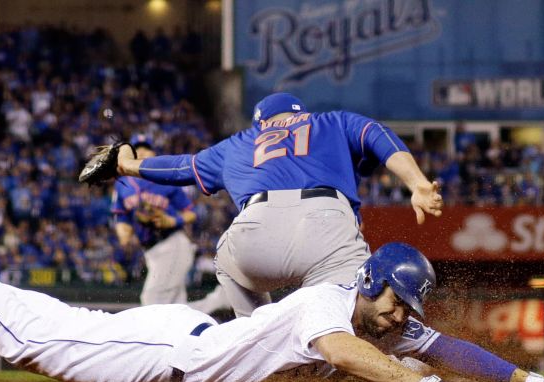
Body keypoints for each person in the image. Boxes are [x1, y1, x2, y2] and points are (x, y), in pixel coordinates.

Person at [0, 206, 544, 382]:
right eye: (398, 304)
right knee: (32, 337)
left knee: (37, 327)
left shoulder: (379, 320)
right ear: (371, 285)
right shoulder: (331, 308)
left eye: (406, 309)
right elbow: (343, 353)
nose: (405, 318)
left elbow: (446, 350)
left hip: (182, 337)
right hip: (172, 351)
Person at [107, 92, 444, 316]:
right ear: (301, 114)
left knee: (226, 261)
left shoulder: (240, 142)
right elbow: (379, 136)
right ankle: (386, 354)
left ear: (261, 124)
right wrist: (416, 183)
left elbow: (180, 167)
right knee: (353, 313)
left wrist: (128, 165)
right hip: (327, 227)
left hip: (255, 230)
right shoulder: (331, 120)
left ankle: (262, 340)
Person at [111, 134, 229, 312]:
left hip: (172, 244)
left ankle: (222, 299)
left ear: (153, 154)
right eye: (137, 148)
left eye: (146, 148)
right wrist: (124, 234)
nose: (142, 151)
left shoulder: (164, 179)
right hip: (151, 251)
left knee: (152, 300)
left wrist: (173, 220)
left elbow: (192, 212)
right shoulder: (122, 184)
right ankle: (221, 300)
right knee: (175, 309)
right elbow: (121, 215)